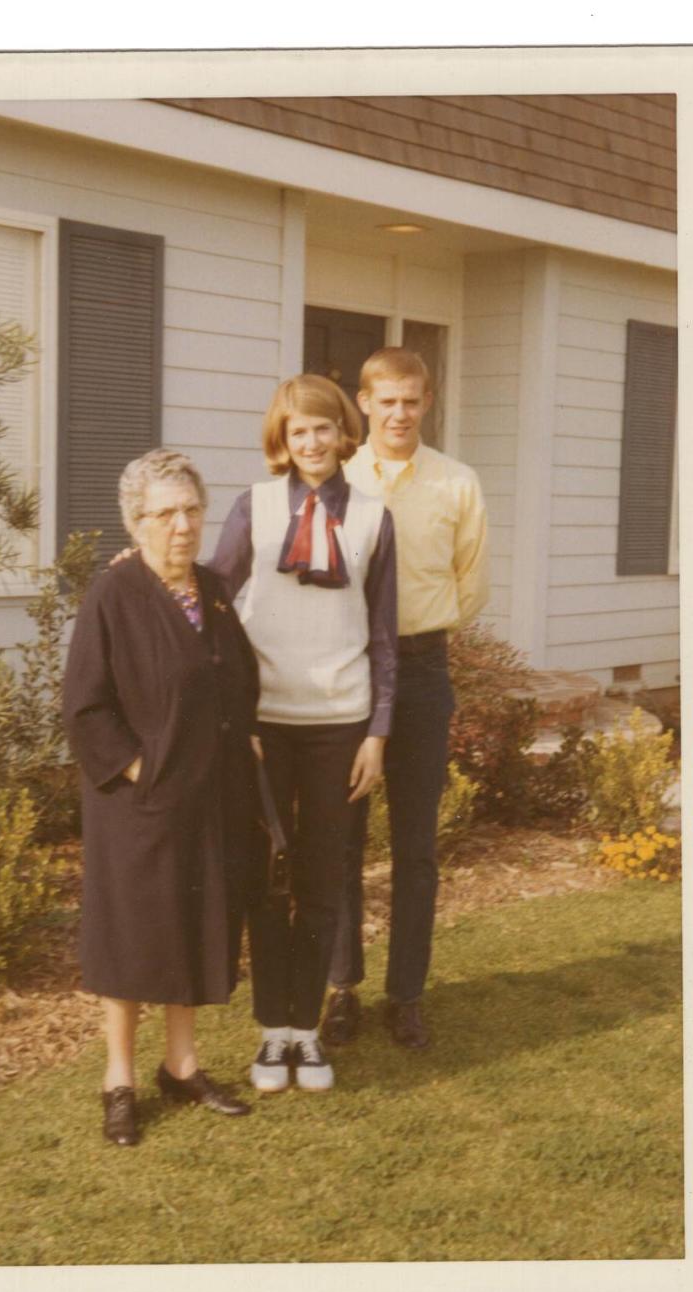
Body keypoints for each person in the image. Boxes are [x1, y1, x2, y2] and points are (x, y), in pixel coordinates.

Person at [63, 450, 257, 1146]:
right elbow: (85, 706)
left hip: (206, 797)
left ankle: (182, 1065)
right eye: (165, 513)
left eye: (191, 510)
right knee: (132, 936)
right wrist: (143, 770)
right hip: (137, 805)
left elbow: (234, 678)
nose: (182, 525)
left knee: (192, 925)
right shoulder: (112, 595)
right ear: (136, 522)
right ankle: (118, 1079)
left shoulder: (213, 588)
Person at [210, 374, 397, 1094]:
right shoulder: (253, 509)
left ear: (343, 432)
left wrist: (377, 733)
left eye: (322, 428)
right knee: (262, 884)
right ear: (281, 443)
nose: (312, 442)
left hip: (340, 728)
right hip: (264, 730)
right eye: (298, 432)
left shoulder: (375, 518)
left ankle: (309, 1032)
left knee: (324, 880)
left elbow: (383, 636)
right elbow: (211, 599)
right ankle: (271, 1033)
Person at [321, 348, 489, 1051]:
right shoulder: (334, 479)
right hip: (347, 673)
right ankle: (341, 990)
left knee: (417, 845)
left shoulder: (456, 483)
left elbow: (470, 585)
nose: (399, 413)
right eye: (386, 400)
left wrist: (417, 637)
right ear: (364, 403)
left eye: (411, 401)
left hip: (421, 672)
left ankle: (406, 995)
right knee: (341, 843)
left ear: (427, 402)